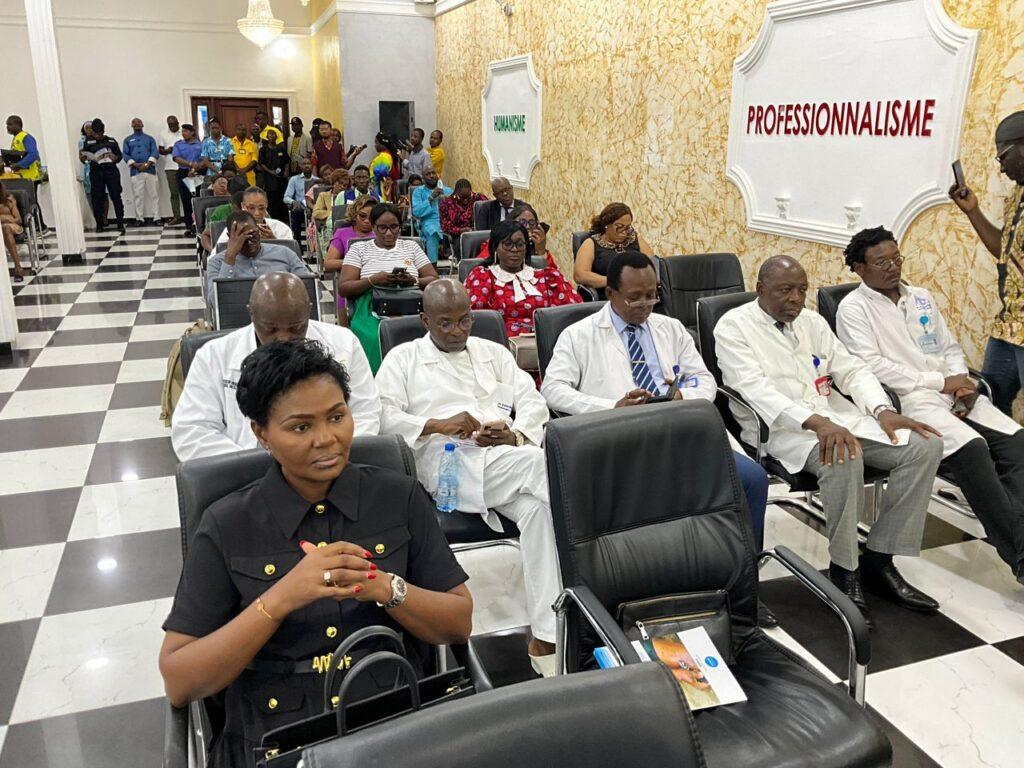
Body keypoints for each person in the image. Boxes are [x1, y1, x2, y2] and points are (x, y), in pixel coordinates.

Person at [161, 337, 471, 768]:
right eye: (300, 427)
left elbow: (458, 623)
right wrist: (280, 598)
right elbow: (180, 681)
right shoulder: (228, 524)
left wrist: (385, 588)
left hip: (394, 714)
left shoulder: (397, 497)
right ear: (261, 434)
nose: (327, 439)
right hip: (276, 737)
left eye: (337, 417)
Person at [539, 252, 775, 621]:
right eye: (634, 297)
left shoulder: (671, 329)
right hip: (619, 439)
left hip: (679, 433)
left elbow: (704, 380)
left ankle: (745, 587)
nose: (644, 305)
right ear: (610, 294)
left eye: (652, 295)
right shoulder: (579, 335)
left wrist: (683, 396)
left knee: (752, 481)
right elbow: (553, 389)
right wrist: (610, 406)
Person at [715, 255, 944, 627]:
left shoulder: (812, 322)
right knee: (843, 456)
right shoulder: (733, 326)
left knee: (925, 446)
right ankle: (845, 570)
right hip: (784, 431)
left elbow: (851, 368)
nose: (796, 298)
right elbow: (753, 389)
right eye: (785, 290)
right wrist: (817, 423)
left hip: (837, 419)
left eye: (802, 290)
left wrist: (882, 410)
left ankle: (879, 559)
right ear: (760, 289)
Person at [375, 279, 559, 674]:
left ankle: (546, 636)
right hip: (447, 466)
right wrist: (436, 424)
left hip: (504, 457)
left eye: (464, 320)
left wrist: (514, 434)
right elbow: (382, 417)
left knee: (539, 512)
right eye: (445, 323)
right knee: (541, 466)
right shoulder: (403, 360)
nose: (457, 331)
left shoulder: (494, 353)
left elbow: (531, 399)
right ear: (425, 320)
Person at [837, 226, 1024, 583]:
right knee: (973, 450)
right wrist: (940, 382)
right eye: (881, 262)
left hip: (953, 392)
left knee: (1017, 442)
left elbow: (949, 347)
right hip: (910, 400)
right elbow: (871, 365)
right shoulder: (853, 309)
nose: (893, 267)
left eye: (896, 258)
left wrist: (961, 382)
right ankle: (1020, 556)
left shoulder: (921, 297)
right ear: (860, 268)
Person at [173, 272, 380, 460]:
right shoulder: (214, 356)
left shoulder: (344, 344)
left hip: (327, 464)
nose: (283, 339)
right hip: (245, 473)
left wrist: (325, 456)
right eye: (270, 329)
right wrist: (257, 465)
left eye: (296, 328)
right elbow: (191, 432)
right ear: (251, 313)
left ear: (309, 310)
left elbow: (365, 413)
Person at [949, 110, 1024, 416]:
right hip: (1010, 323)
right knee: (989, 401)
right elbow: (1006, 252)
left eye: (1003, 156)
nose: (1001, 167)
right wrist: (973, 211)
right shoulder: (1018, 193)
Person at [337, 203, 439, 372]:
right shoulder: (359, 249)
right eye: (382, 228)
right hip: (371, 303)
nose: (389, 233)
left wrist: (413, 280)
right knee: (373, 337)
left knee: (430, 333)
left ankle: (420, 377)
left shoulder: (411, 247)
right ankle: (379, 379)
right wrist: (373, 280)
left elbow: (433, 279)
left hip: (411, 301)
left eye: (394, 227)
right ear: (373, 226)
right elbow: (344, 287)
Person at [465, 220, 580, 338]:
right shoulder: (483, 277)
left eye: (520, 244)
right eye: (508, 244)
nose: (514, 249)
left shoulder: (548, 277)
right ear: (495, 248)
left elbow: (574, 311)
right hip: (501, 342)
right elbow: (479, 320)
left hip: (547, 340)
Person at [206, 211, 312, 300]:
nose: (250, 242)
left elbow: (311, 289)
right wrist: (230, 257)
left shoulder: (285, 253)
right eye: (243, 238)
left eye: (253, 235)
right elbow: (214, 302)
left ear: (259, 231)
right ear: (230, 237)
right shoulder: (217, 262)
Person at [574, 203, 655, 298]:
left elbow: (654, 265)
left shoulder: (635, 240)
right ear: (606, 225)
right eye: (619, 227)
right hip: (610, 296)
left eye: (627, 227)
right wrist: (615, 281)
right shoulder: (591, 244)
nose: (624, 232)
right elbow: (580, 275)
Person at [81, 118, 125, 234]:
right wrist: (84, 157)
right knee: (96, 198)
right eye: (95, 134)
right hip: (96, 172)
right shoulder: (88, 143)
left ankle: (120, 224)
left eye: (100, 133)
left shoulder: (111, 141)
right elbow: (83, 158)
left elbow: (120, 156)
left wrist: (115, 157)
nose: (98, 136)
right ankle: (99, 224)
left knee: (116, 196)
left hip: (111, 172)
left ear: (103, 131)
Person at [215, 187, 293, 246]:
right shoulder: (233, 230)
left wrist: (274, 241)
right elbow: (213, 258)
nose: (257, 213)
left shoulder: (281, 229)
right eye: (251, 208)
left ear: (266, 205)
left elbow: (292, 258)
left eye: (261, 208)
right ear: (243, 206)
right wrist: (233, 246)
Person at [121, 117, 159, 226]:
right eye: (134, 122)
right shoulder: (127, 140)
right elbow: (125, 154)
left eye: (139, 122)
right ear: (132, 125)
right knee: (138, 196)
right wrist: (135, 164)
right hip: (135, 171)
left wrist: (147, 164)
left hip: (150, 170)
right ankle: (139, 218)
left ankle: (157, 217)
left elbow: (155, 152)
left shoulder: (149, 138)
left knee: (154, 195)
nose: (137, 124)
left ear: (143, 124)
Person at [325, 195, 376, 270]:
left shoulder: (381, 233)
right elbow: (328, 263)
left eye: (371, 217)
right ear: (354, 214)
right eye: (362, 216)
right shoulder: (342, 234)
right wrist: (355, 262)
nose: (367, 221)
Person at [411, 167, 450, 264]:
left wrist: (447, 200)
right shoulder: (418, 192)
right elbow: (416, 212)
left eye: (433, 173)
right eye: (428, 174)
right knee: (432, 231)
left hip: (448, 221)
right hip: (428, 221)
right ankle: (433, 265)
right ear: (423, 178)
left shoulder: (447, 190)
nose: (432, 176)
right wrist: (431, 197)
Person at [171, 124, 204, 236]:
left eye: (185, 131)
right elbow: (176, 158)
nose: (183, 133)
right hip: (184, 173)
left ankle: (199, 225)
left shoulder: (200, 144)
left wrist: (195, 168)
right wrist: (190, 164)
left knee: (197, 199)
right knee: (186, 201)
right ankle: (189, 227)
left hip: (197, 173)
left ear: (192, 132)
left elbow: (204, 158)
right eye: (183, 131)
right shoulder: (178, 144)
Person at [257, 129, 289, 221]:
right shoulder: (263, 150)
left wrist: (286, 171)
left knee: (282, 199)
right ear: (267, 137)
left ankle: (284, 220)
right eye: (270, 135)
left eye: (273, 135)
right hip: (269, 179)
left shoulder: (281, 148)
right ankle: (273, 220)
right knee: (272, 200)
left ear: (276, 136)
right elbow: (262, 164)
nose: (272, 137)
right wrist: (271, 172)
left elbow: (287, 161)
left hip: (281, 179)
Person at [199, 188, 244, 254]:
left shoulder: (253, 213)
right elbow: (205, 235)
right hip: (222, 251)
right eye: (236, 209)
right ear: (231, 204)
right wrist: (213, 252)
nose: (239, 213)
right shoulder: (220, 211)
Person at [283, 157, 318, 242]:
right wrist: (293, 202)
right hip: (300, 208)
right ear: (300, 166)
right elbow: (286, 197)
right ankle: (298, 243)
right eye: (304, 164)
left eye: (308, 163)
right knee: (296, 212)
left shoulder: (317, 180)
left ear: (312, 165)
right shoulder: (294, 179)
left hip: (314, 208)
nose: (307, 166)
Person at [159, 115, 183, 225]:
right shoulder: (163, 134)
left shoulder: (184, 132)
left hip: (184, 167)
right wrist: (169, 150)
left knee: (188, 193)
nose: (173, 127)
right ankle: (176, 217)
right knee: (174, 193)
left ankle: (192, 217)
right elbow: (160, 151)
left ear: (178, 123)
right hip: (170, 167)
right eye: (170, 125)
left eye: (174, 124)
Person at [0, 181, 25, 282]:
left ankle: (18, 267)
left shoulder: (8, 199)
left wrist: (7, 219)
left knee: (6, 228)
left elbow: (18, 219)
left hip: (13, 226)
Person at [4, 115, 40, 181]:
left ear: (18, 125)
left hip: (30, 178)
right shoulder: (16, 137)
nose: (7, 127)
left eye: (10, 124)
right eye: (7, 125)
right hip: (21, 177)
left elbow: (33, 154)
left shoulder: (26, 137)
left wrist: (19, 165)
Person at [369, 133, 402, 201]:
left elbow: (381, 173)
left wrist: (370, 180)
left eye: (376, 143)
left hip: (381, 189)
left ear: (382, 144)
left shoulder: (386, 156)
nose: (375, 145)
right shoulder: (384, 155)